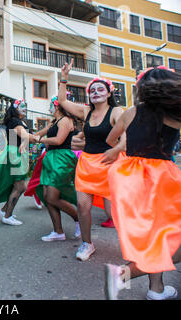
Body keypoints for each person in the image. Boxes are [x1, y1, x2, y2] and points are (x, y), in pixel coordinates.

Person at [104, 66, 181, 300]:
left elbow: (110, 139)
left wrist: (129, 144)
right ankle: (122, 275)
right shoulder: (174, 115)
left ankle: (155, 289)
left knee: (155, 236)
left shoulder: (130, 112)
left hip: (131, 178)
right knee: (169, 239)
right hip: (160, 179)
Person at [58, 59, 125, 261]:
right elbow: (62, 101)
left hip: (111, 165)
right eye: (92, 90)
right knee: (83, 207)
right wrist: (64, 78)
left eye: (100, 89)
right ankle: (87, 243)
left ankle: (132, 245)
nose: (95, 92)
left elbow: (125, 139)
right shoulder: (86, 112)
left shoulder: (116, 112)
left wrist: (118, 150)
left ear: (108, 93)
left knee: (119, 211)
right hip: (87, 165)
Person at [0, 99, 40, 226]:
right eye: (22, 106)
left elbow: (27, 137)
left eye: (25, 106)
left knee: (17, 185)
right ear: (15, 109)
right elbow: (24, 135)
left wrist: (34, 138)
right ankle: (7, 216)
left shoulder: (19, 121)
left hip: (17, 153)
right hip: (15, 153)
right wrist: (35, 138)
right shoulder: (15, 121)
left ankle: (5, 210)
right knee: (20, 186)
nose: (24, 109)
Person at [35, 96, 81, 241]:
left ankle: (79, 218)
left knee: (52, 196)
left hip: (62, 158)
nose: (49, 107)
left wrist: (41, 140)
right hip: (51, 158)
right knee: (47, 197)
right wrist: (27, 138)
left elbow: (59, 140)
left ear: (56, 106)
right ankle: (58, 231)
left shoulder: (67, 120)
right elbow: (38, 134)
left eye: (51, 105)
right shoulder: (54, 122)